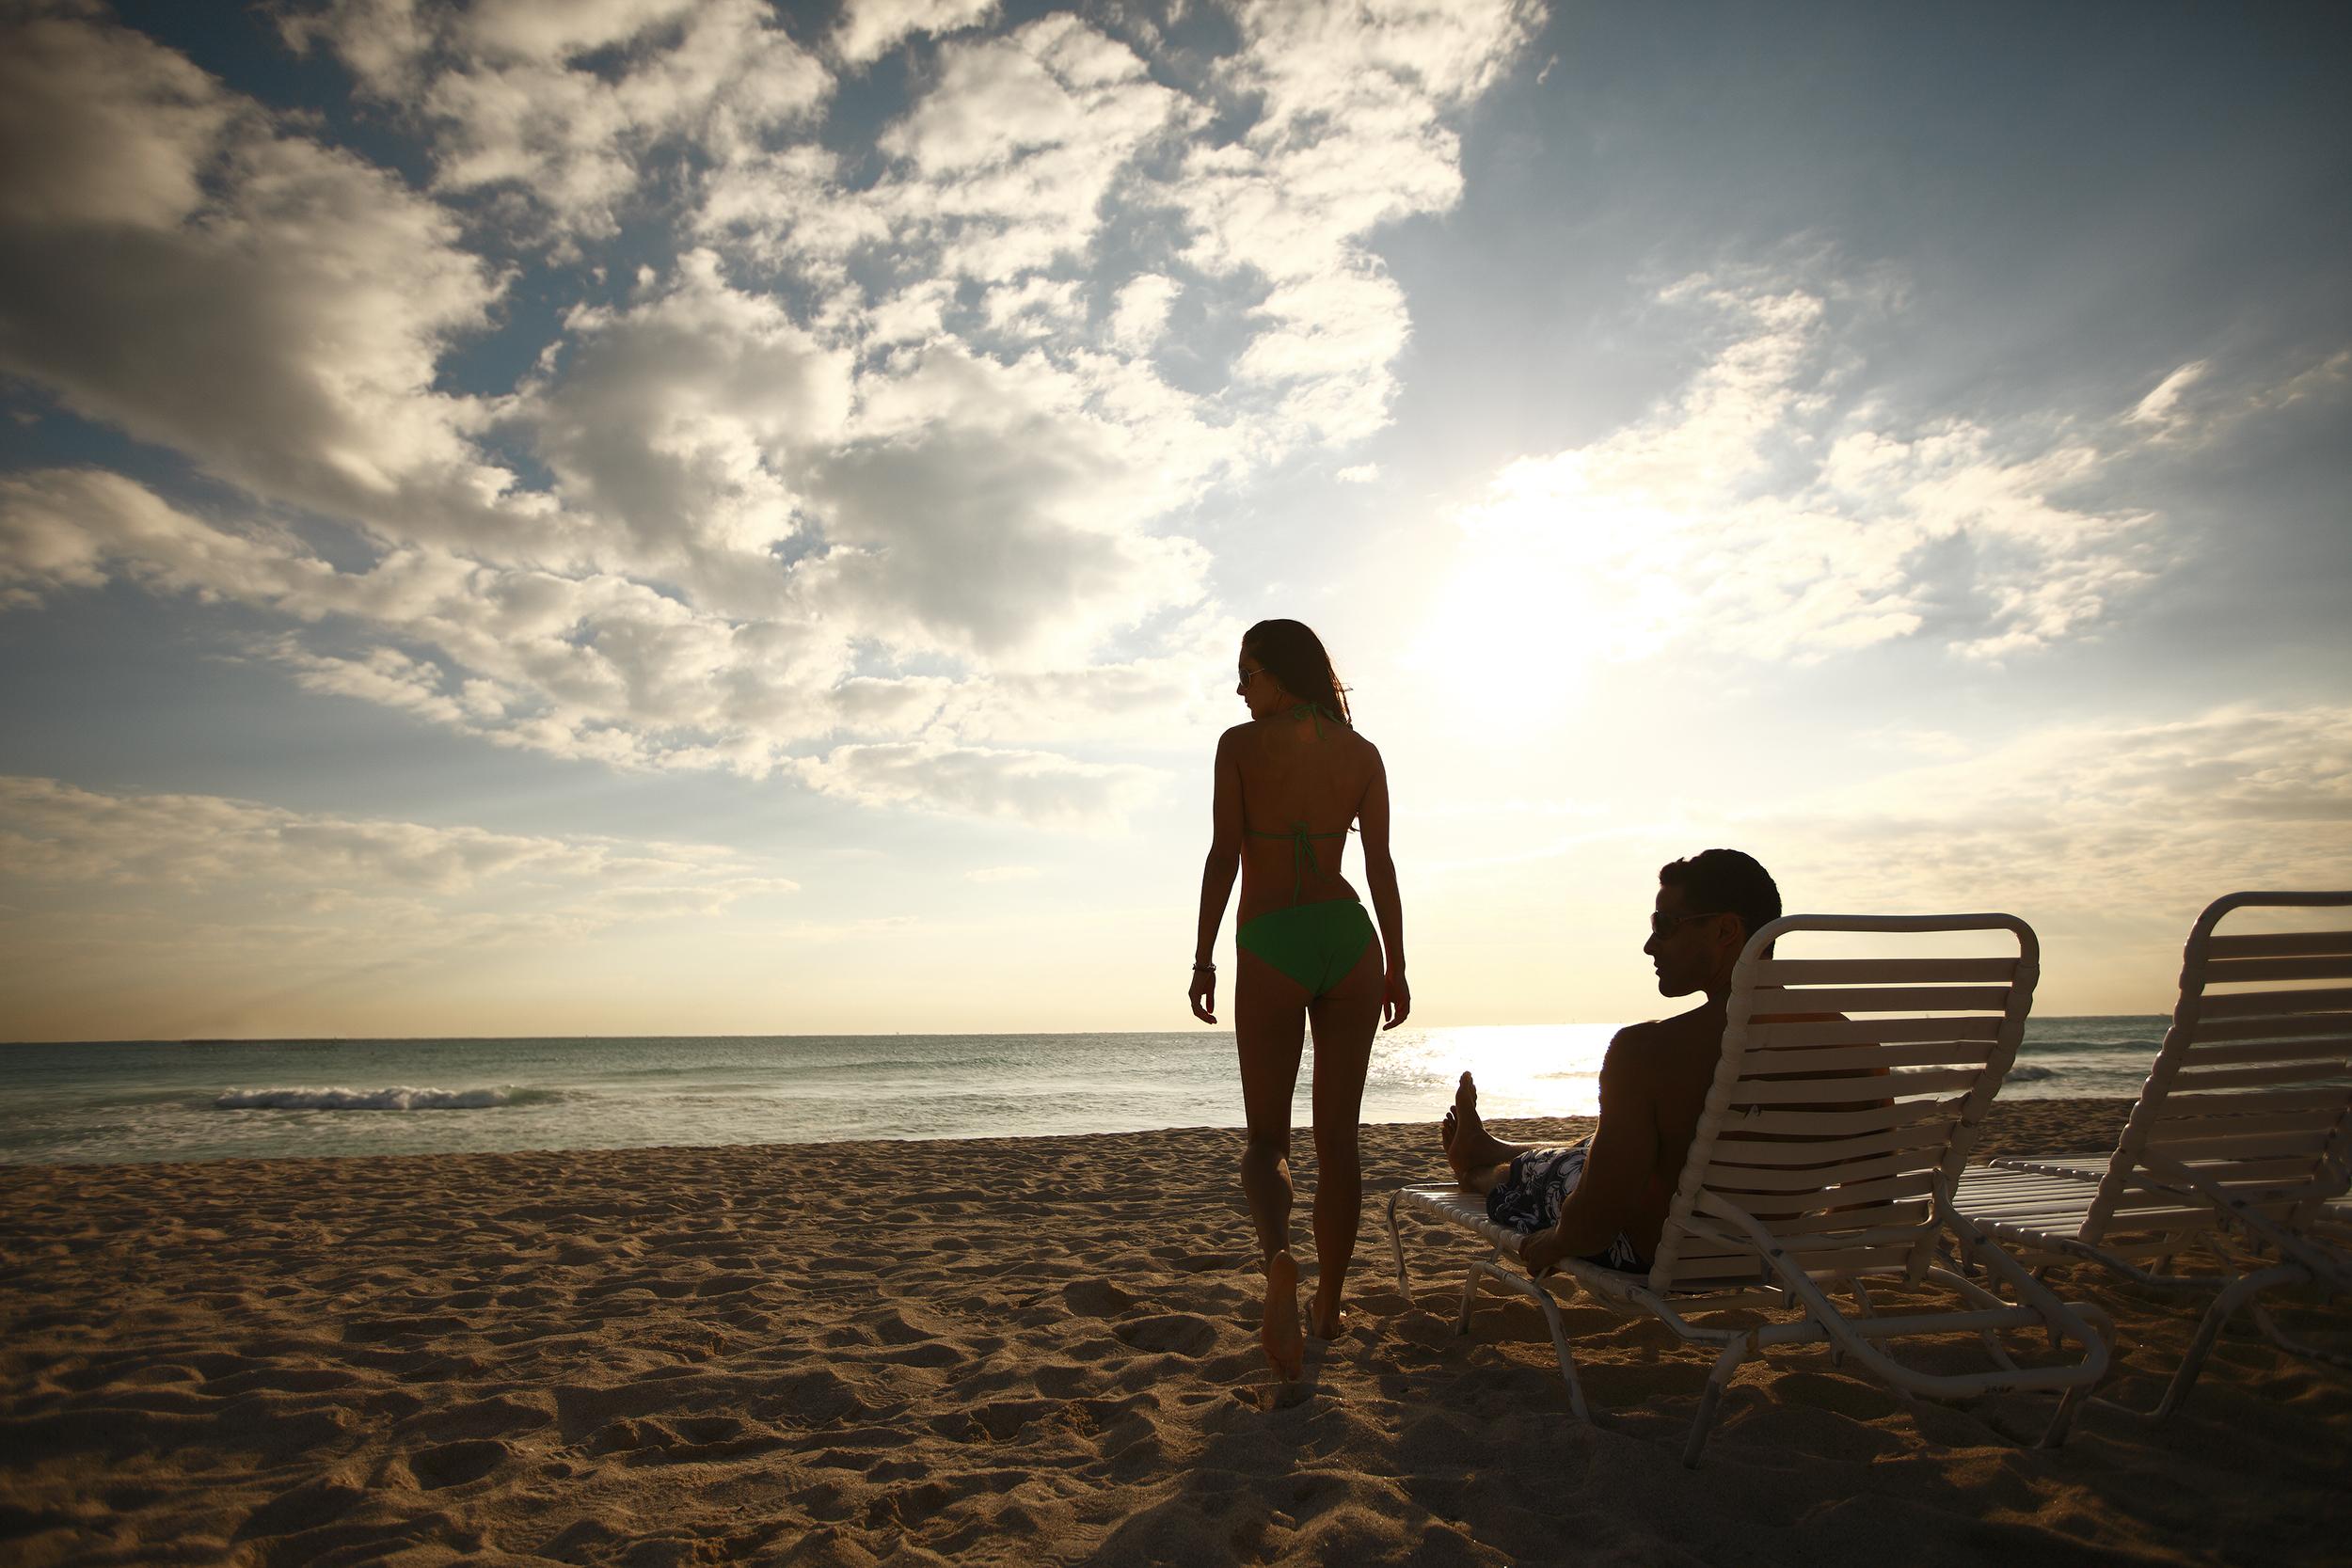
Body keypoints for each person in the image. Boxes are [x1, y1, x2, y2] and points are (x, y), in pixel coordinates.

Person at [1189, 620, 1409, 1379]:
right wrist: (1399, 962)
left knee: (1266, 1141)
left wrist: (1202, 955)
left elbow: (1225, 852)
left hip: (1273, 936)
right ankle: (1330, 1304)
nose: (1240, 689)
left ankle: (1281, 1257)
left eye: (1247, 673)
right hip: (1350, 938)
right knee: (1339, 1140)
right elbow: (1379, 864)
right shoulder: (1363, 754)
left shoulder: (1239, 746)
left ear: (1279, 675)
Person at [1439, 848, 1782, 1275]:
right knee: (1604, 1150)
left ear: (1726, 930)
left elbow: (1594, 1225)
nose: (1649, 944)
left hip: (1660, 1255)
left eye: (1665, 925)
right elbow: (1872, 1199)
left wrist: (1558, 1242)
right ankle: (1494, 1149)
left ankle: (1476, 1173)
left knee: (1568, 1175)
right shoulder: (1848, 1045)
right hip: (1776, 1255)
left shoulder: (1646, 1051)